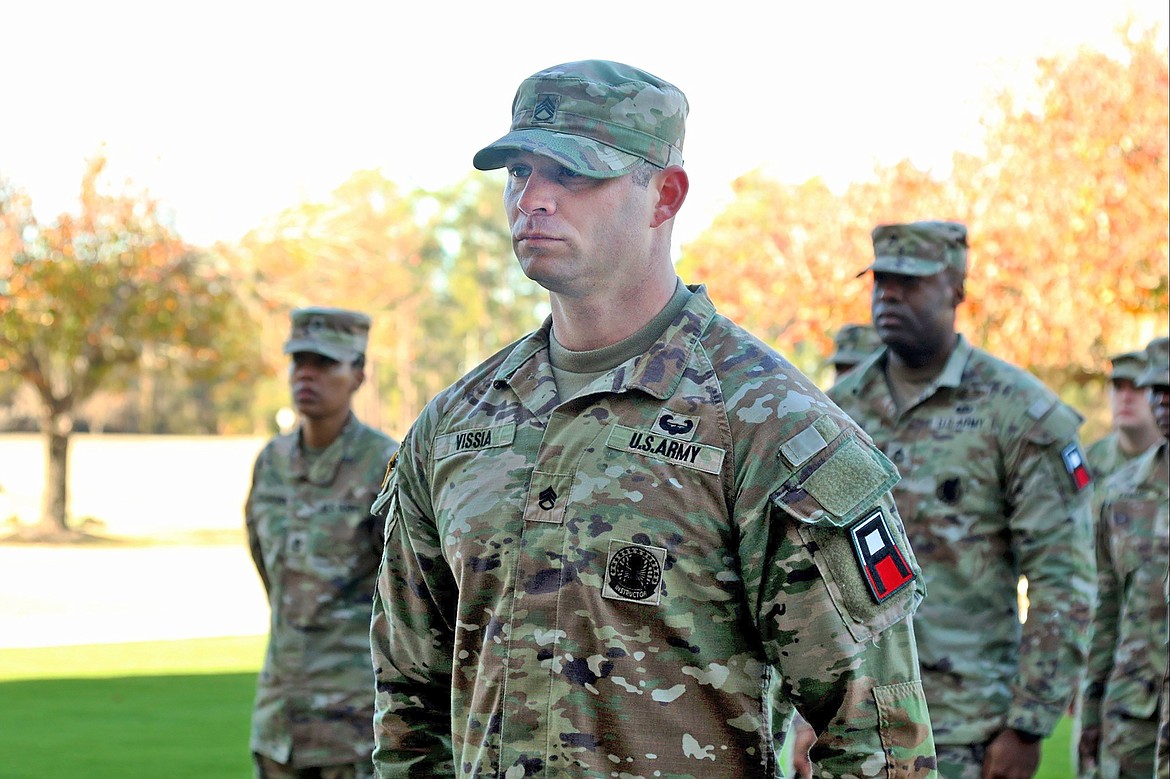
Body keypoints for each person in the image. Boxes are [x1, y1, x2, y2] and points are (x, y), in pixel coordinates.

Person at [369, 60, 936, 778]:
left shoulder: (771, 427)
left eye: (573, 175)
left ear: (664, 195)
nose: (534, 198)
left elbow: (880, 741)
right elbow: (407, 706)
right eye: (519, 172)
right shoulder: (454, 426)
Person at [828, 221, 1097, 779]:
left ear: (956, 289)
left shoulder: (1021, 414)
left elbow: (1064, 578)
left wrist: (1029, 725)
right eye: (882, 280)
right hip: (853, 728)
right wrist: (808, 717)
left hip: (969, 731)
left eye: (912, 281)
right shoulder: (834, 413)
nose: (890, 295)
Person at [246, 307, 399, 779]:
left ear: (357, 375)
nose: (306, 375)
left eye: (324, 363)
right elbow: (271, 572)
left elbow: (408, 592)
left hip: (352, 725)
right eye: (298, 362)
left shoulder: (386, 464)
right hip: (280, 719)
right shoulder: (271, 463)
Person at [1079, 335, 1169, 779]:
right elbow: (1106, 605)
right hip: (1135, 710)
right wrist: (1091, 711)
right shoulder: (1121, 490)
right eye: (1159, 390)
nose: (1162, 401)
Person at [1085, 348, 1161, 482]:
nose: (1125, 397)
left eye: (1138, 386)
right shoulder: (1088, 461)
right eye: (1118, 387)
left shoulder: (1164, 460)